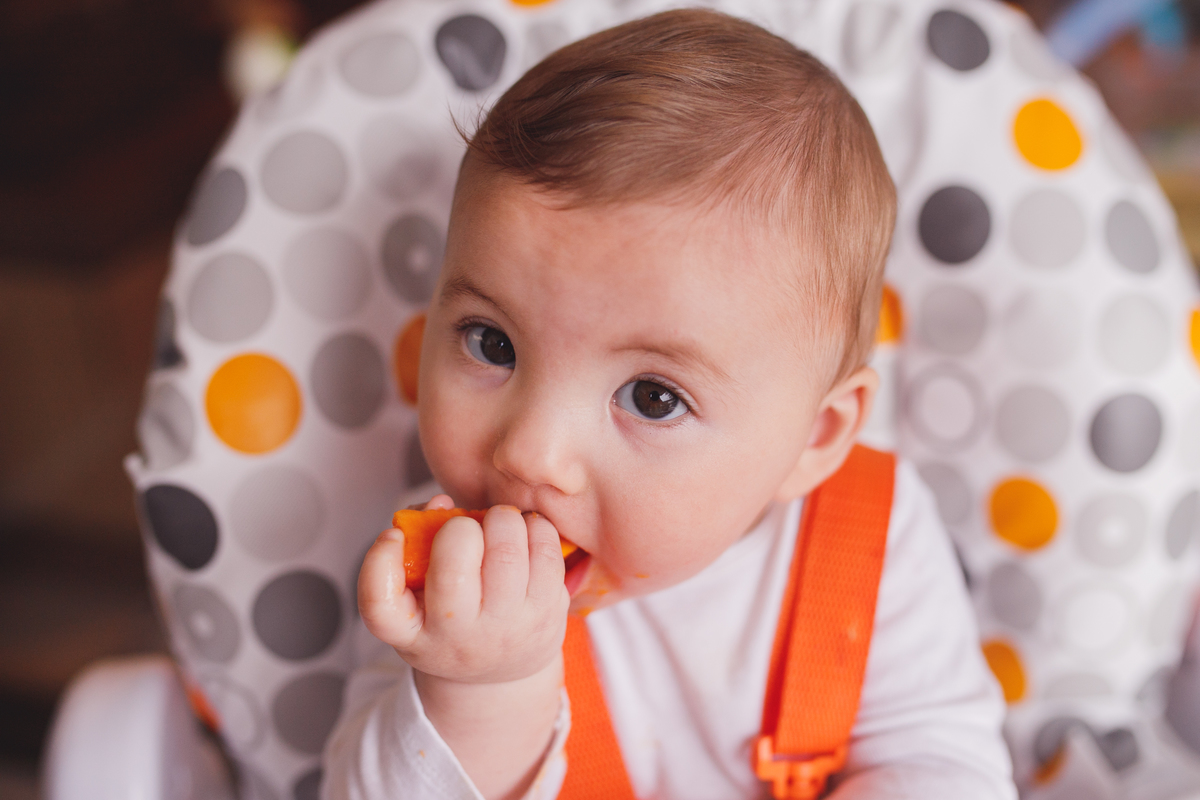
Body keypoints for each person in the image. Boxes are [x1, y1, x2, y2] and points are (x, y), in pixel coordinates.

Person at [324, 9, 1016, 800]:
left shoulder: (873, 539)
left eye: (653, 397)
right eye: (493, 343)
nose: (530, 452)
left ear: (814, 437)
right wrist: (476, 690)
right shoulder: (449, 581)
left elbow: (944, 764)